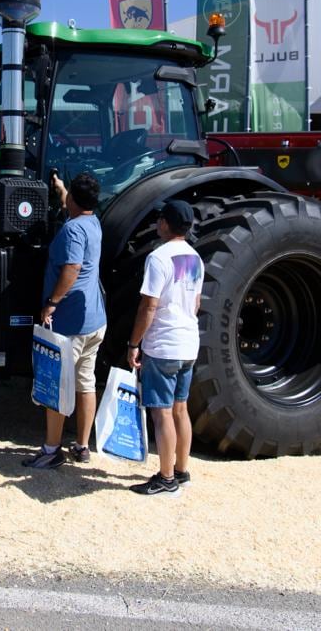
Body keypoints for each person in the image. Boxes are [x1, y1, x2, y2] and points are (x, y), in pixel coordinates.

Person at [23, 171, 107, 469]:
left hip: (69, 322)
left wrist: (51, 303)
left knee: (55, 385)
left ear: (74, 199)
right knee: (86, 383)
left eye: (68, 193)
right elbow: (74, 205)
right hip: (94, 320)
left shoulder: (72, 231)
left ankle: (51, 449)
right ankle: (82, 446)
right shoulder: (92, 222)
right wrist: (61, 188)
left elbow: (71, 268)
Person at [126, 200, 204, 496]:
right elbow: (196, 302)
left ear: (165, 224)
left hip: (163, 344)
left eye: (160, 218)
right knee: (180, 409)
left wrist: (134, 343)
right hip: (188, 342)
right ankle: (182, 469)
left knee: (161, 414)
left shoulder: (159, 258)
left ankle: (166, 477)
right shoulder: (195, 258)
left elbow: (148, 306)